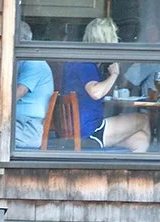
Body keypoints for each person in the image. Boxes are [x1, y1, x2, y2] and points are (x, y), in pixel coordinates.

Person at [61, 17, 150, 152]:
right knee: (143, 119)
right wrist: (114, 74)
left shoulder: (76, 61)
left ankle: (132, 171)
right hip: (89, 132)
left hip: (76, 129)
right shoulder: (86, 64)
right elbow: (95, 93)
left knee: (140, 139)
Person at [12, 21, 54, 150]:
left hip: (28, 128)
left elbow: (15, 95)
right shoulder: (24, 61)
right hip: (19, 123)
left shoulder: (33, 62)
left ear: (22, 41)